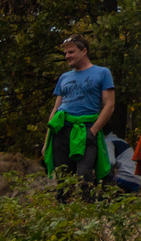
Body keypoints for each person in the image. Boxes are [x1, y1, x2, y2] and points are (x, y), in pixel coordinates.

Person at [44, 34, 116, 197]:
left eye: (71, 52)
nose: (67, 56)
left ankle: (89, 215)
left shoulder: (102, 73)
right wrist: (46, 141)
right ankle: (65, 214)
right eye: (66, 53)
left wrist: (94, 131)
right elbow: (55, 110)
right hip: (61, 131)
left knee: (84, 176)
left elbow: (110, 105)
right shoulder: (64, 77)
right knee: (63, 178)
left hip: (85, 130)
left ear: (84, 51)